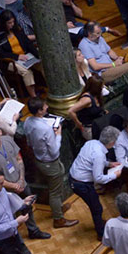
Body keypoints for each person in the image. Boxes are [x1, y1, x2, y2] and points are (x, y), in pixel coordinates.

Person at [0, 123, 48, 240]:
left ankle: (33, 230)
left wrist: (21, 179)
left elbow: (19, 159)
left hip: (21, 182)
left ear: (0, 132)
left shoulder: (8, 140)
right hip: (4, 191)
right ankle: (14, 239)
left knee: (27, 207)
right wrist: (14, 186)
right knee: (9, 215)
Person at [24, 96, 78, 229]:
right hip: (50, 162)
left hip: (39, 159)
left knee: (54, 188)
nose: (47, 106)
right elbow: (54, 151)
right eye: (44, 106)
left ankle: (58, 208)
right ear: (39, 111)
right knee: (55, 191)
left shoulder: (27, 122)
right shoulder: (46, 129)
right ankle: (58, 219)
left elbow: (29, 142)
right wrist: (58, 135)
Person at [70, 127, 128, 241]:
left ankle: (100, 224)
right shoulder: (99, 154)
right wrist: (115, 175)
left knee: (95, 206)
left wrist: (109, 164)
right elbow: (99, 178)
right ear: (111, 143)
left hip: (74, 177)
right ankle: (101, 234)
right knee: (97, 208)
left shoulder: (92, 143)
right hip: (81, 184)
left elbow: (91, 161)